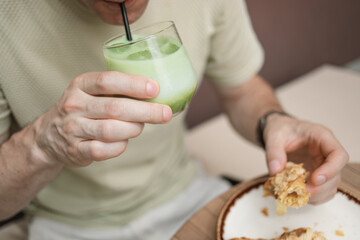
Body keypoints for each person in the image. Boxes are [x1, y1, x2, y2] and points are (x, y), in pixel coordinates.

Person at [0, 0, 348, 239]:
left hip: (187, 194)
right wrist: (42, 144)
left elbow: (240, 89)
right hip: (69, 224)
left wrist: (273, 121)